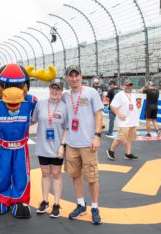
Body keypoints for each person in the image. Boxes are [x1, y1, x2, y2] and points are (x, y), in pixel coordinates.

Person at [63, 65, 103, 225]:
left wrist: (97, 136)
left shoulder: (91, 92)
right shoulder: (65, 96)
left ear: (81, 76)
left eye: (76, 75)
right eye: (70, 76)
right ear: (66, 78)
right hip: (72, 143)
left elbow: (98, 114)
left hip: (88, 143)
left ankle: (94, 207)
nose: (74, 78)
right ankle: (81, 205)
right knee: (75, 175)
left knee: (92, 177)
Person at [32, 79, 67, 218]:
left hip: (57, 146)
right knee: (45, 173)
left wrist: (62, 146)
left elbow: (67, 128)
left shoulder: (64, 106)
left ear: (61, 91)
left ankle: (56, 204)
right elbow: (32, 120)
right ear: (49, 88)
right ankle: (45, 201)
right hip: (42, 146)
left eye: (57, 89)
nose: (54, 91)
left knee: (57, 174)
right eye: (53, 88)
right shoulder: (40, 104)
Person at [106, 79, 139, 161]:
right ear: (123, 86)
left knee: (129, 138)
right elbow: (112, 106)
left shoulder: (133, 95)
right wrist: (118, 114)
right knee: (121, 137)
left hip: (132, 120)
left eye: (130, 85)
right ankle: (111, 150)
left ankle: (128, 154)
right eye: (127, 85)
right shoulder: (119, 95)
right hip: (124, 120)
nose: (129, 87)